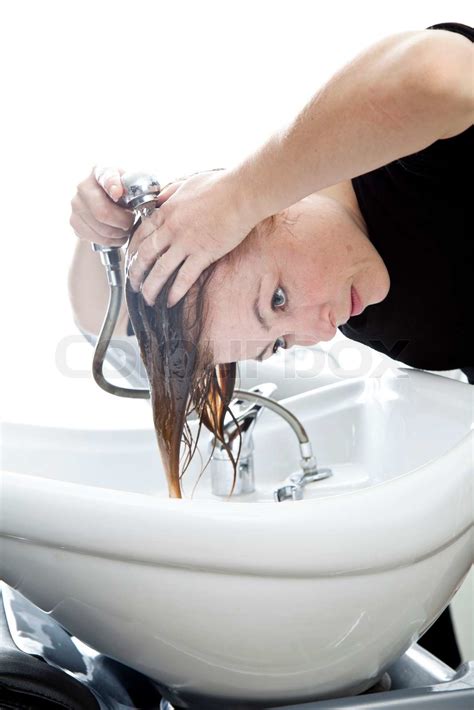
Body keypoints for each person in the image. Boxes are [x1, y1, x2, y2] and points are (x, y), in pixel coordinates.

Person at [69, 22, 473, 668]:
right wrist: (102, 241)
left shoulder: (385, 154)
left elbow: (446, 76)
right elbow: (100, 325)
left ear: (256, 211)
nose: (314, 330)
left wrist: (241, 192)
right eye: (279, 342)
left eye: (277, 299)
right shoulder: (355, 298)